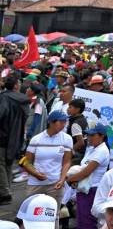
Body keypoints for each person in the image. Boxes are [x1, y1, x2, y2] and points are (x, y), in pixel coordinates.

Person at [22, 109, 73, 200]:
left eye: (64, 122)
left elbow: (66, 162)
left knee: (53, 213)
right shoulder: (36, 139)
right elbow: (26, 162)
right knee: (31, 212)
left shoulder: (67, 139)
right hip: (35, 184)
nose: (63, 124)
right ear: (51, 122)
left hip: (55, 185)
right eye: (60, 121)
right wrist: (36, 174)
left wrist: (62, 179)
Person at [67, 123, 110, 229]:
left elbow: (86, 172)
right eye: (88, 135)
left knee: (88, 222)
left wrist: (69, 180)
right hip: (83, 189)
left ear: (102, 136)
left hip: (92, 192)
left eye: (92, 135)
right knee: (82, 221)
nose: (89, 138)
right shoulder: (92, 148)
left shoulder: (102, 151)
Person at [0, 75, 30, 204]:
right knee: (7, 164)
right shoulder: (24, 100)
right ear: (16, 85)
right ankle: (6, 190)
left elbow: (1, 114)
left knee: (1, 164)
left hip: (2, 136)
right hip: (16, 137)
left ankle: (5, 193)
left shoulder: (4, 98)